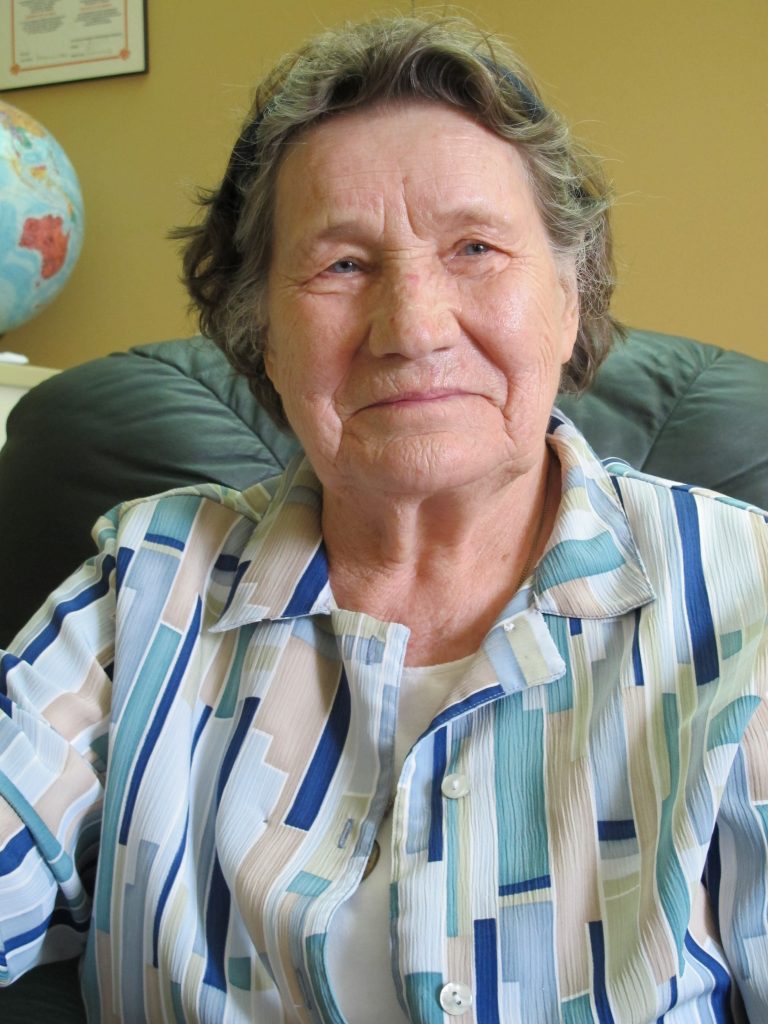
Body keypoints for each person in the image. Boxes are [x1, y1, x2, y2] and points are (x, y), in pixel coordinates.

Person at [1, 14, 766, 1024]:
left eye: (476, 248)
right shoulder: (143, 585)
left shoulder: (746, 600)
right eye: (342, 266)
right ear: (260, 335)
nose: (411, 327)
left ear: (570, 301)